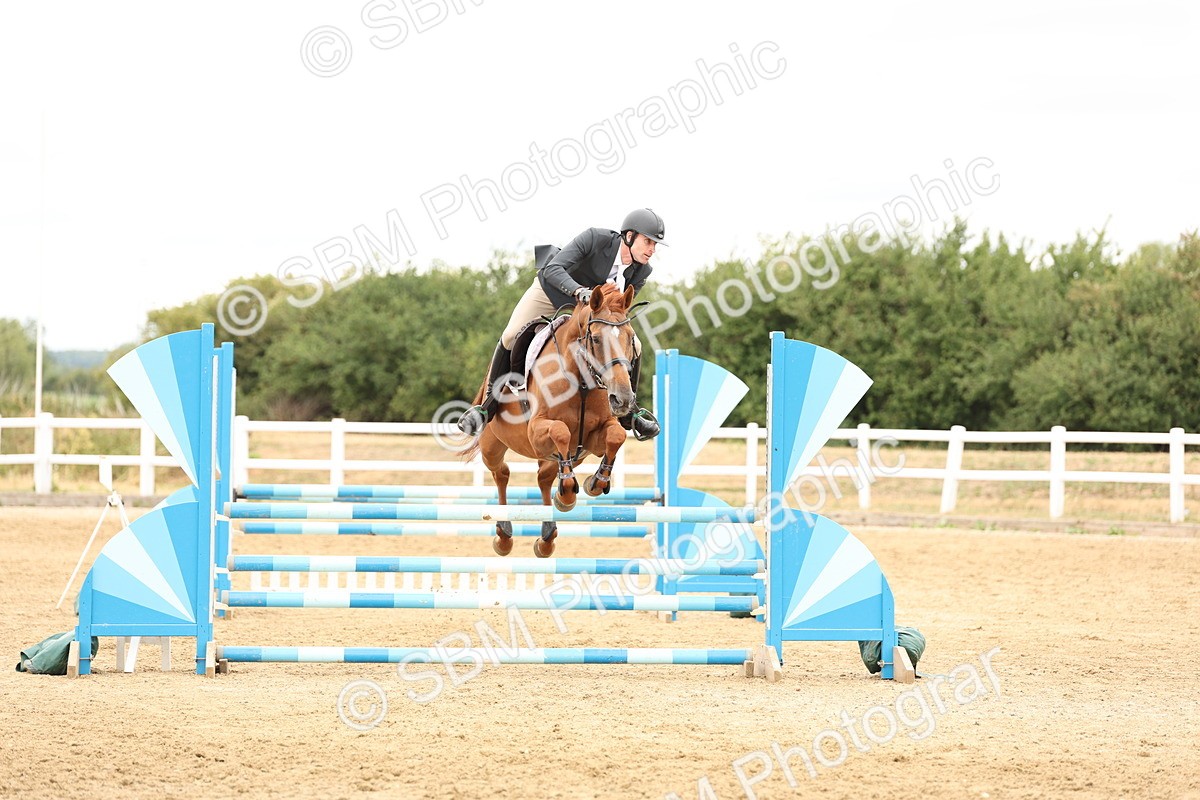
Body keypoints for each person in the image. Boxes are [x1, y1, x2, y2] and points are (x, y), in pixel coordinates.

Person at [458, 208, 666, 440]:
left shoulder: (642, 270)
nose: (652, 250)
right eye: (648, 241)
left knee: (635, 344)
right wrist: (579, 291)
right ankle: (487, 406)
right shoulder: (595, 239)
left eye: (655, 245)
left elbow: (619, 309)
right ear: (629, 236)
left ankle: (630, 412)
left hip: (591, 313)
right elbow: (553, 268)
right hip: (553, 292)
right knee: (510, 334)